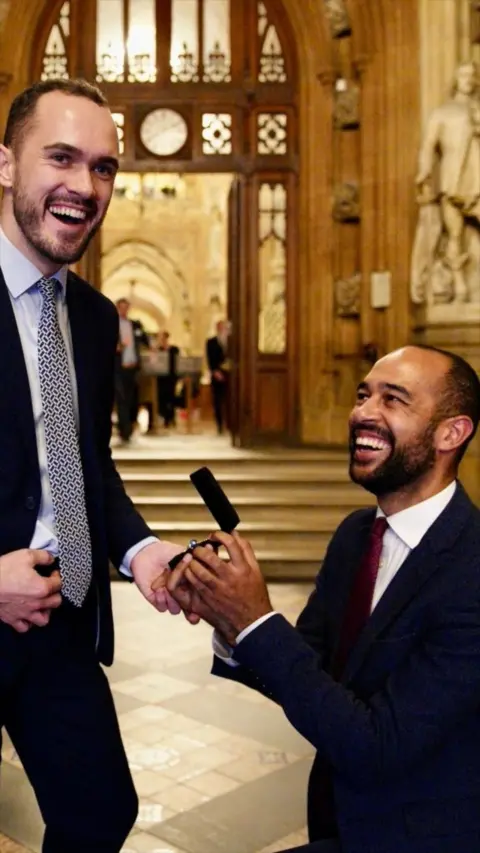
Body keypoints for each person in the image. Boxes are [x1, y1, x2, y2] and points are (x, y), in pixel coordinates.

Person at [167, 345, 480, 853]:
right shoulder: (357, 535)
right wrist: (228, 619)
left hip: (420, 835)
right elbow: (306, 669)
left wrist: (256, 621)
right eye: (363, 395)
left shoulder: (470, 568)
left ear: (452, 433)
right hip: (340, 816)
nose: (362, 413)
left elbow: (376, 745)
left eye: (393, 399)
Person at [0, 77, 188, 853]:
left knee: (100, 810)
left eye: (104, 168)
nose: (85, 186)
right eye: (62, 158)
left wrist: (142, 550)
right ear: (6, 164)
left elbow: (84, 465)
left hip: (59, 622)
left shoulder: (93, 315)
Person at [412, 62, 480, 304]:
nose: (468, 79)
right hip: (452, 180)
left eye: (472, 75)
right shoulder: (442, 112)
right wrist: (424, 172)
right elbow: (428, 146)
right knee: (454, 233)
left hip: (478, 177)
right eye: (463, 75)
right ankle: (459, 286)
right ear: (455, 78)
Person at [115, 296, 149, 443]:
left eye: (126, 307)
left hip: (133, 367)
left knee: (132, 399)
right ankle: (125, 431)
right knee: (121, 398)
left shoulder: (135, 325)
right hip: (118, 368)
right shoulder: (112, 324)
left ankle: (129, 426)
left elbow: (145, 340)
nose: (124, 310)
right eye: (121, 307)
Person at [206, 319, 229, 434]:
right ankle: (219, 425)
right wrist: (215, 371)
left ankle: (230, 424)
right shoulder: (211, 342)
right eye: (221, 327)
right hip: (217, 374)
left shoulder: (232, 341)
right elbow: (210, 359)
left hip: (230, 375)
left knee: (229, 400)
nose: (223, 329)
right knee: (217, 401)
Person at [156, 330, 179, 428]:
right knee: (162, 398)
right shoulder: (158, 350)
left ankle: (171, 418)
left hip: (171, 377)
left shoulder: (174, 349)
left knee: (171, 397)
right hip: (161, 377)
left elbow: (177, 362)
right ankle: (164, 418)